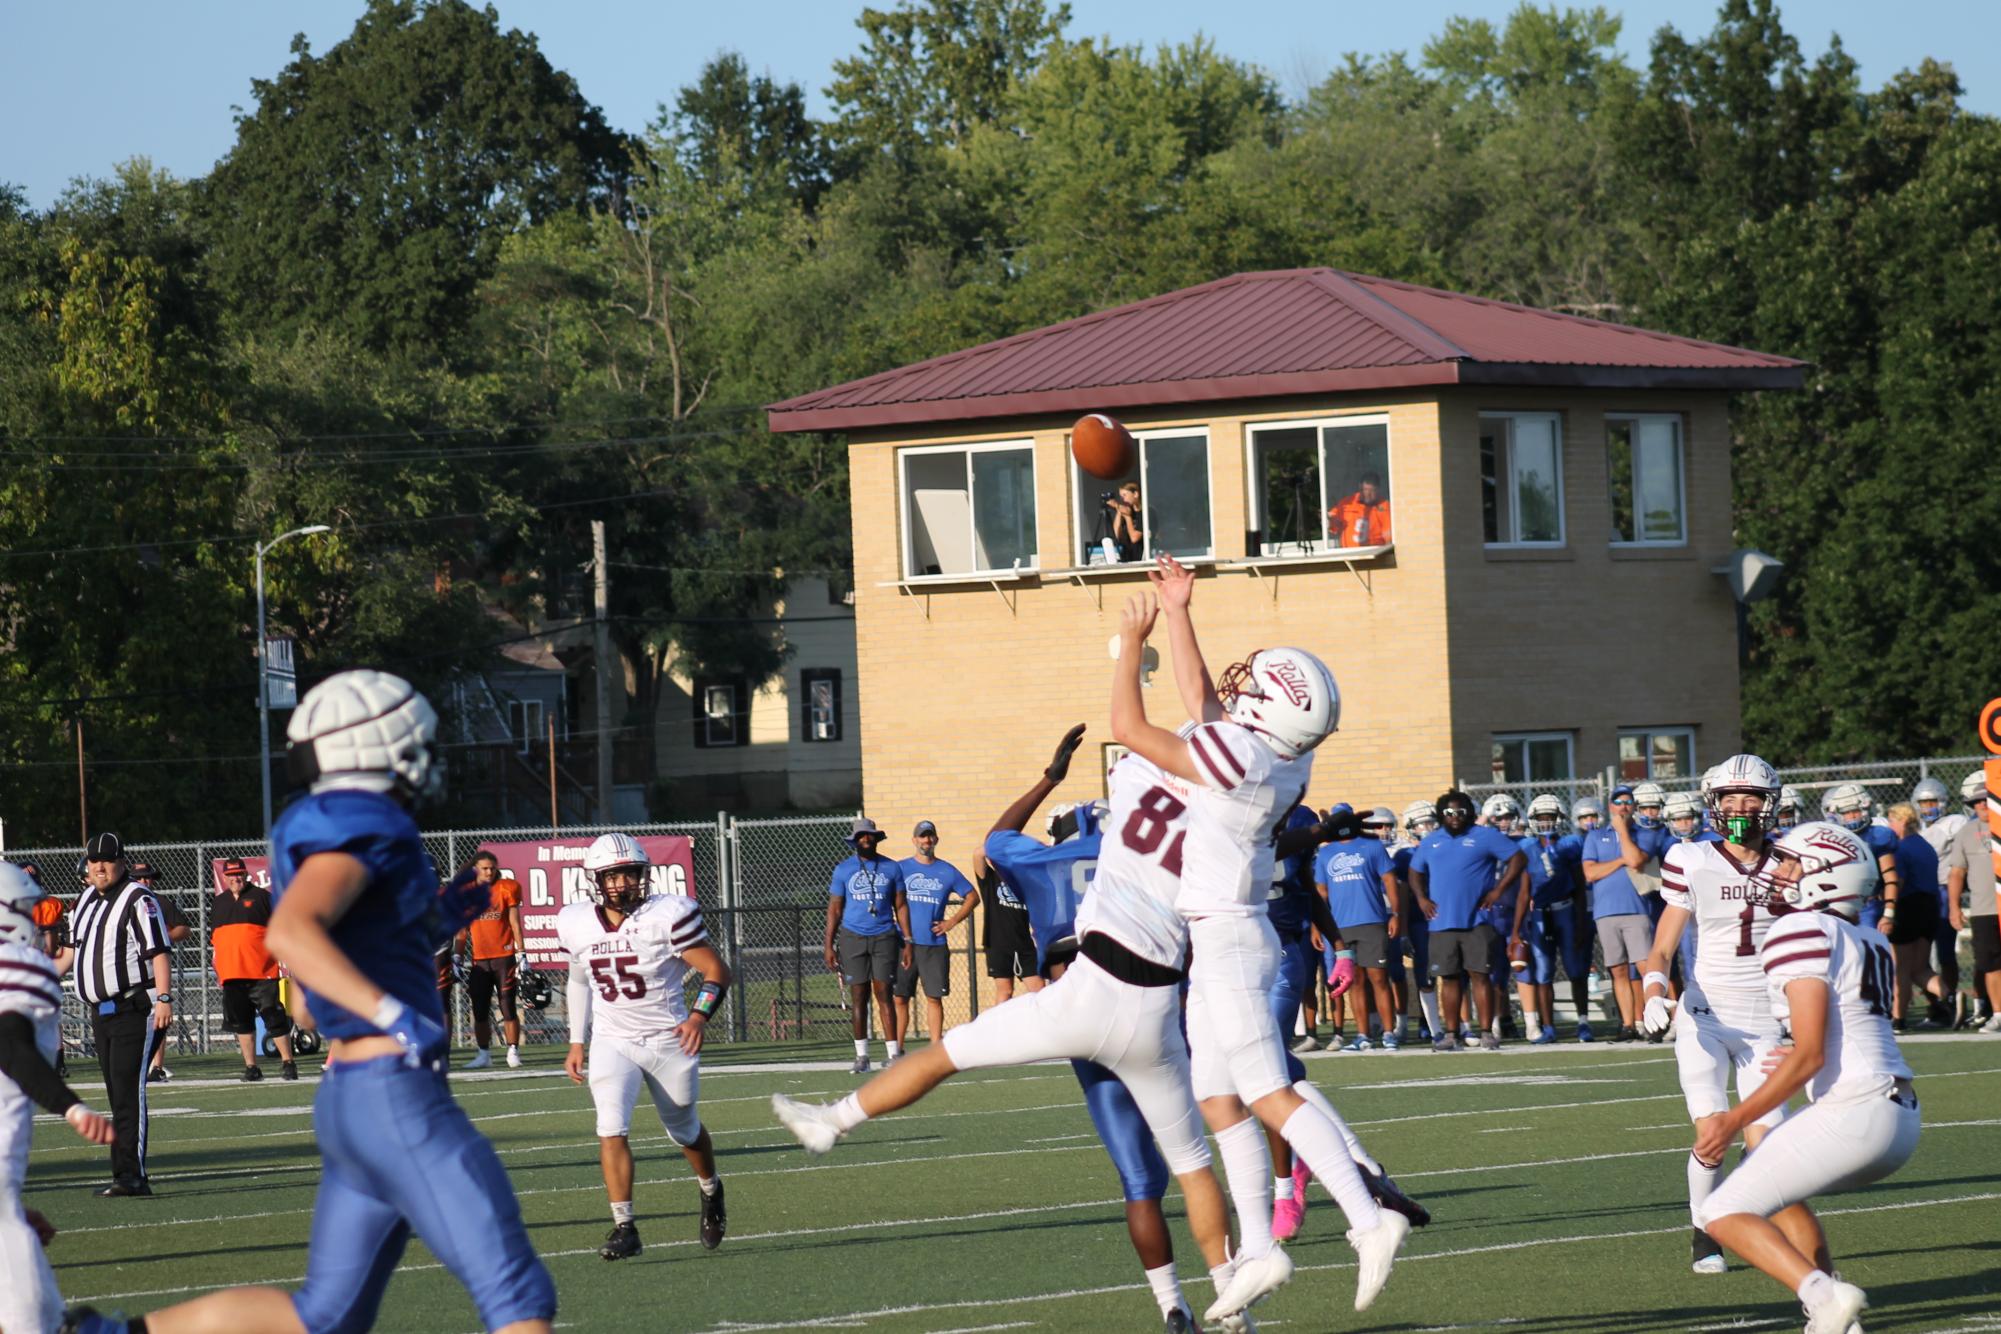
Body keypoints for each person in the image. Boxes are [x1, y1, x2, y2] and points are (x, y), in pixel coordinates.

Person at [74, 669, 557, 1334]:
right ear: (373, 744)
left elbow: (305, 1001)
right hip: (395, 1093)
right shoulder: (361, 818)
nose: (424, 759)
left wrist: (443, 914)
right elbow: (292, 931)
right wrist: (393, 1014)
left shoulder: (322, 827)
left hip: (351, 1095)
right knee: (518, 1295)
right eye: (413, 743)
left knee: (322, 1318)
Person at [774, 724, 1269, 1328]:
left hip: (1074, 1005)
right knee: (1191, 1164)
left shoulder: (1045, 857)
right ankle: (1228, 1296)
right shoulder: (1179, 846)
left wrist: (1050, 777)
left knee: (946, 1057)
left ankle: (834, 1121)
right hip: (1156, 1013)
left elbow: (997, 838)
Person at [1128, 556, 1409, 1319]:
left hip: (1229, 938)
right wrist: (1180, 609)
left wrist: (1131, 646)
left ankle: (1365, 1216)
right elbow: (1201, 698)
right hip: (1219, 933)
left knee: (1266, 1091)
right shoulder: (1278, 751)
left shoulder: (1245, 755)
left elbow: (1131, 726)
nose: (1238, 687)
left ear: (1270, 713)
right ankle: (1258, 1248)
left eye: (1254, 687)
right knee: (1218, 1101)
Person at [1692, 821, 1920, 1334]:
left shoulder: (1801, 929)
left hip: (1856, 1109)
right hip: (1898, 1112)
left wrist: (1732, 1120)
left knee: (1721, 1211)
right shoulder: (1865, 936)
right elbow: (1845, 1027)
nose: (1781, 873)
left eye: (1793, 863)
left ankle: (1825, 1295)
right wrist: (1797, 1050)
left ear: (1825, 873)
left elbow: (1812, 1054)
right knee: (1776, 1191)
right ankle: (1835, 1316)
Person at [1637, 755, 1789, 1277]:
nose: (1741, 808)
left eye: (1752, 798)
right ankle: (1704, 1231)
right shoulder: (1691, 858)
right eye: (1731, 798)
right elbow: (1661, 947)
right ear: (1714, 804)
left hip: (1769, 1022)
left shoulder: (1793, 861)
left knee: (1768, 1148)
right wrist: (1654, 992)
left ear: (1771, 805)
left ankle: (1733, 1214)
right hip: (1705, 1017)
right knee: (1712, 1137)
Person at [559, 832, 731, 1261]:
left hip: (668, 1038)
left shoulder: (667, 915)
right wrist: (577, 1040)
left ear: (643, 876)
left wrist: (697, 1017)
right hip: (613, 1039)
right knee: (610, 1126)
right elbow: (579, 980)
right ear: (595, 881)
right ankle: (625, 1226)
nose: (622, 884)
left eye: (630, 875)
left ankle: (710, 1189)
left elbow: (716, 970)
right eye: (612, 876)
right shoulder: (576, 921)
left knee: (684, 1130)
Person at [0, 863, 117, 1334]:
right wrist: (71, 1104)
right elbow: (9, 1044)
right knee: (35, 1320)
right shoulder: (19, 964)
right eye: (28, 909)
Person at [65, 832, 171, 1196]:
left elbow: (158, 951)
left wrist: (166, 998)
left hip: (132, 1007)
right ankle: (123, 1173)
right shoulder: (84, 902)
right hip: (101, 1012)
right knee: (115, 1092)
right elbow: (70, 954)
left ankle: (132, 1176)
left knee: (127, 1092)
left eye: (106, 859)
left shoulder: (138, 898)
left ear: (121, 861)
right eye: (93, 860)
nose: (99, 866)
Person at [1409, 792, 1526, 1051]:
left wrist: (1497, 890)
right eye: (1449, 813)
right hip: (1441, 922)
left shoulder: (1484, 836)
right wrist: (1421, 899)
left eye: (1460, 812)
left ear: (1469, 813)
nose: (1455, 817)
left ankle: (1486, 1032)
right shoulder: (1431, 842)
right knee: (1449, 979)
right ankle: (1451, 1034)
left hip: (1478, 920)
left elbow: (1518, 859)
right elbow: (1414, 871)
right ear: (1441, 815)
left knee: (1480, 976)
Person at [825, 817, 910, 1073]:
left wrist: (908, 940)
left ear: (876, 837)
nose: (866, 839)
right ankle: (862, 1056)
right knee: (858, 995)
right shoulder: (843, 870)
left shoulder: (892, 868)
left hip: (884, 935)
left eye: (870, 835)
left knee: (884, 992)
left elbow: (901, 906)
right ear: (855, 840)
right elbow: (835, 909)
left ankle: (894, 1054)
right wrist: (828, 944)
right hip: (853, 936)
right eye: (861, 835)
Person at [1315, 807, 1399, 1051]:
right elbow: (1320, 892)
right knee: (1355, 981)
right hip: (1339, 927)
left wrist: (1395, 913)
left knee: (1379, 978)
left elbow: (1389, 879)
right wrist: (1316, 926)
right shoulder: (1326, 852)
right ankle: (1363, 1034)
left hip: (1371, 921)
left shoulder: (1371, 846)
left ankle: (1388, 1032)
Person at [210, 856, 298, 1081]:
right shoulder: (219, 903)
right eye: (230, 875)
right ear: (225, 877)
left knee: (273, 1017)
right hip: (231, 974)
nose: (235, 878)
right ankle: (252, 1067)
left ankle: (288, 1062)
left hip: (261, 971)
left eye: (239, 874)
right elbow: (216, 939)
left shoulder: (262, 898)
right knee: (242, 1022)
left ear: (246, 874)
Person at [1580, 786, 1656, 1041]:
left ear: (1633, 806)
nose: (1623, 806)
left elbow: (1635, 860)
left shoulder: (1643, 834)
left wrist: (1623, 831)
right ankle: (1627, 1024)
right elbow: (1590, 873)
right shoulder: (1595, 837)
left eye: (1627, 802)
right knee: (1619, 971)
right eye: (1618, 802)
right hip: (1606, 913)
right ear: (1610, 806)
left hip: (1636, 910)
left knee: (1646, 969)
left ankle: (1653, 1021)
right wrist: (1620, 861)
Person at [894, 820, 974, 1048]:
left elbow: (972, 896)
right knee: (900, 997)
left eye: (930, 836)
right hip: (904, 943)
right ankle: (896, 1050)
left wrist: (951, 921)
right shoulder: (900, 868)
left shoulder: (946, 870)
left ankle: (934, 1048)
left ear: (936, 840)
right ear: (914, 840)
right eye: (922, 836)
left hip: (934, 944)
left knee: (933, 997)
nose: (926, 840)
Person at [1510, 795, 1575, 1044]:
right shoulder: (1526, 847)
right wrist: (1517, 929)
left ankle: (1582, 1021)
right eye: (1541, 818)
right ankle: (1547, 1026)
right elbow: (1524, 891)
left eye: (1550, 818)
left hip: (1565, 908)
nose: (1546, 823)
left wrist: (1580, 918)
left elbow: (1578, 883)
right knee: (1543, 971)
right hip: (1539, 913)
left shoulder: (1570, 844)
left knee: (1574, 967)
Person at [1882, 804, 1952, 1029]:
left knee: (1900, 967)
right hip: (1930, 906)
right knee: (1918, 968)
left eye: (1892, 820)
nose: (1890, 826)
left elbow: (1898, 883)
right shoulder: (1925, 845)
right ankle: (1950, 996)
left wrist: (1885, 905)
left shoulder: (1900, 849)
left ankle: (1898, 1019)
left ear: (1902, 821)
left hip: (1908, 907)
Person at [1941, 772, 2001, 1032]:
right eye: (1977, 802)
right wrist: (1954, 908)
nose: (1981, 806)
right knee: (1989, 963)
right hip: (1984, 909)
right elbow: (1956, 873)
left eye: (1985, 800)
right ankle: (1998, 1013)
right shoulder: (1966, 832)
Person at [458, 853, 526, 1070]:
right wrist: (457, 956)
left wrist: (521, 953)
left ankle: (513, 1050)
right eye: (484, 868)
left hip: (504, 957)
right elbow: (462, 930)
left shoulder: (507, 888)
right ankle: (483, 1053)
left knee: (507, 1005)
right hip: (480, 959)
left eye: (492, 868)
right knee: (479, 1009)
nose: (489, 872)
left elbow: (515, 923)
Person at [127, 862, 189, 1086]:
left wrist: (162, 938)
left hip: (154, 970)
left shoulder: (158, 901)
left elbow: (184, 928)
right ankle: (137, 1064)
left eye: (148, 878)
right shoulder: (123, 901)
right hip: (128, 972)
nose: (145, 881)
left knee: (157, 1017)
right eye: (140, 878)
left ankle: (157, 1066)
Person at [1820, 784, 1900, 930]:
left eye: (1855, 811)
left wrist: (1888, 914)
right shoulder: (1833, 838)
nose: (1851, 817)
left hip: (1869, 905)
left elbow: (1891, 878)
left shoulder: (1878, 836)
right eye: (1846, 813)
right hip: (1838, 905)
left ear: (1865, 808)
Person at [1394, 801, 1443, 1042]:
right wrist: (1403, 930)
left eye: (1431, 822)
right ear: (1411, 826)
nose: (1428, 827)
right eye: (1422, 823)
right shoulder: (1405, 855)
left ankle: (1462, 1026)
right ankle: (1432, 1026)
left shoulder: (1445, 847)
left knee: (1455, 971)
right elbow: (1402, 894)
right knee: (1424, 972)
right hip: (1418, 919)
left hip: (1445, 917)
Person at [1327, 473, 1391, 548]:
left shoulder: (1384, 506)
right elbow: (1332, 521)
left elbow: (1389, 537)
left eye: (1372, 490)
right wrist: (1329, 519)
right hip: (1348, 553)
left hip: (1374, 553)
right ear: (1360, 488)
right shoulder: (1347, 502)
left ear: (1378, 490)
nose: (1368, 494)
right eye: (1365, 490)